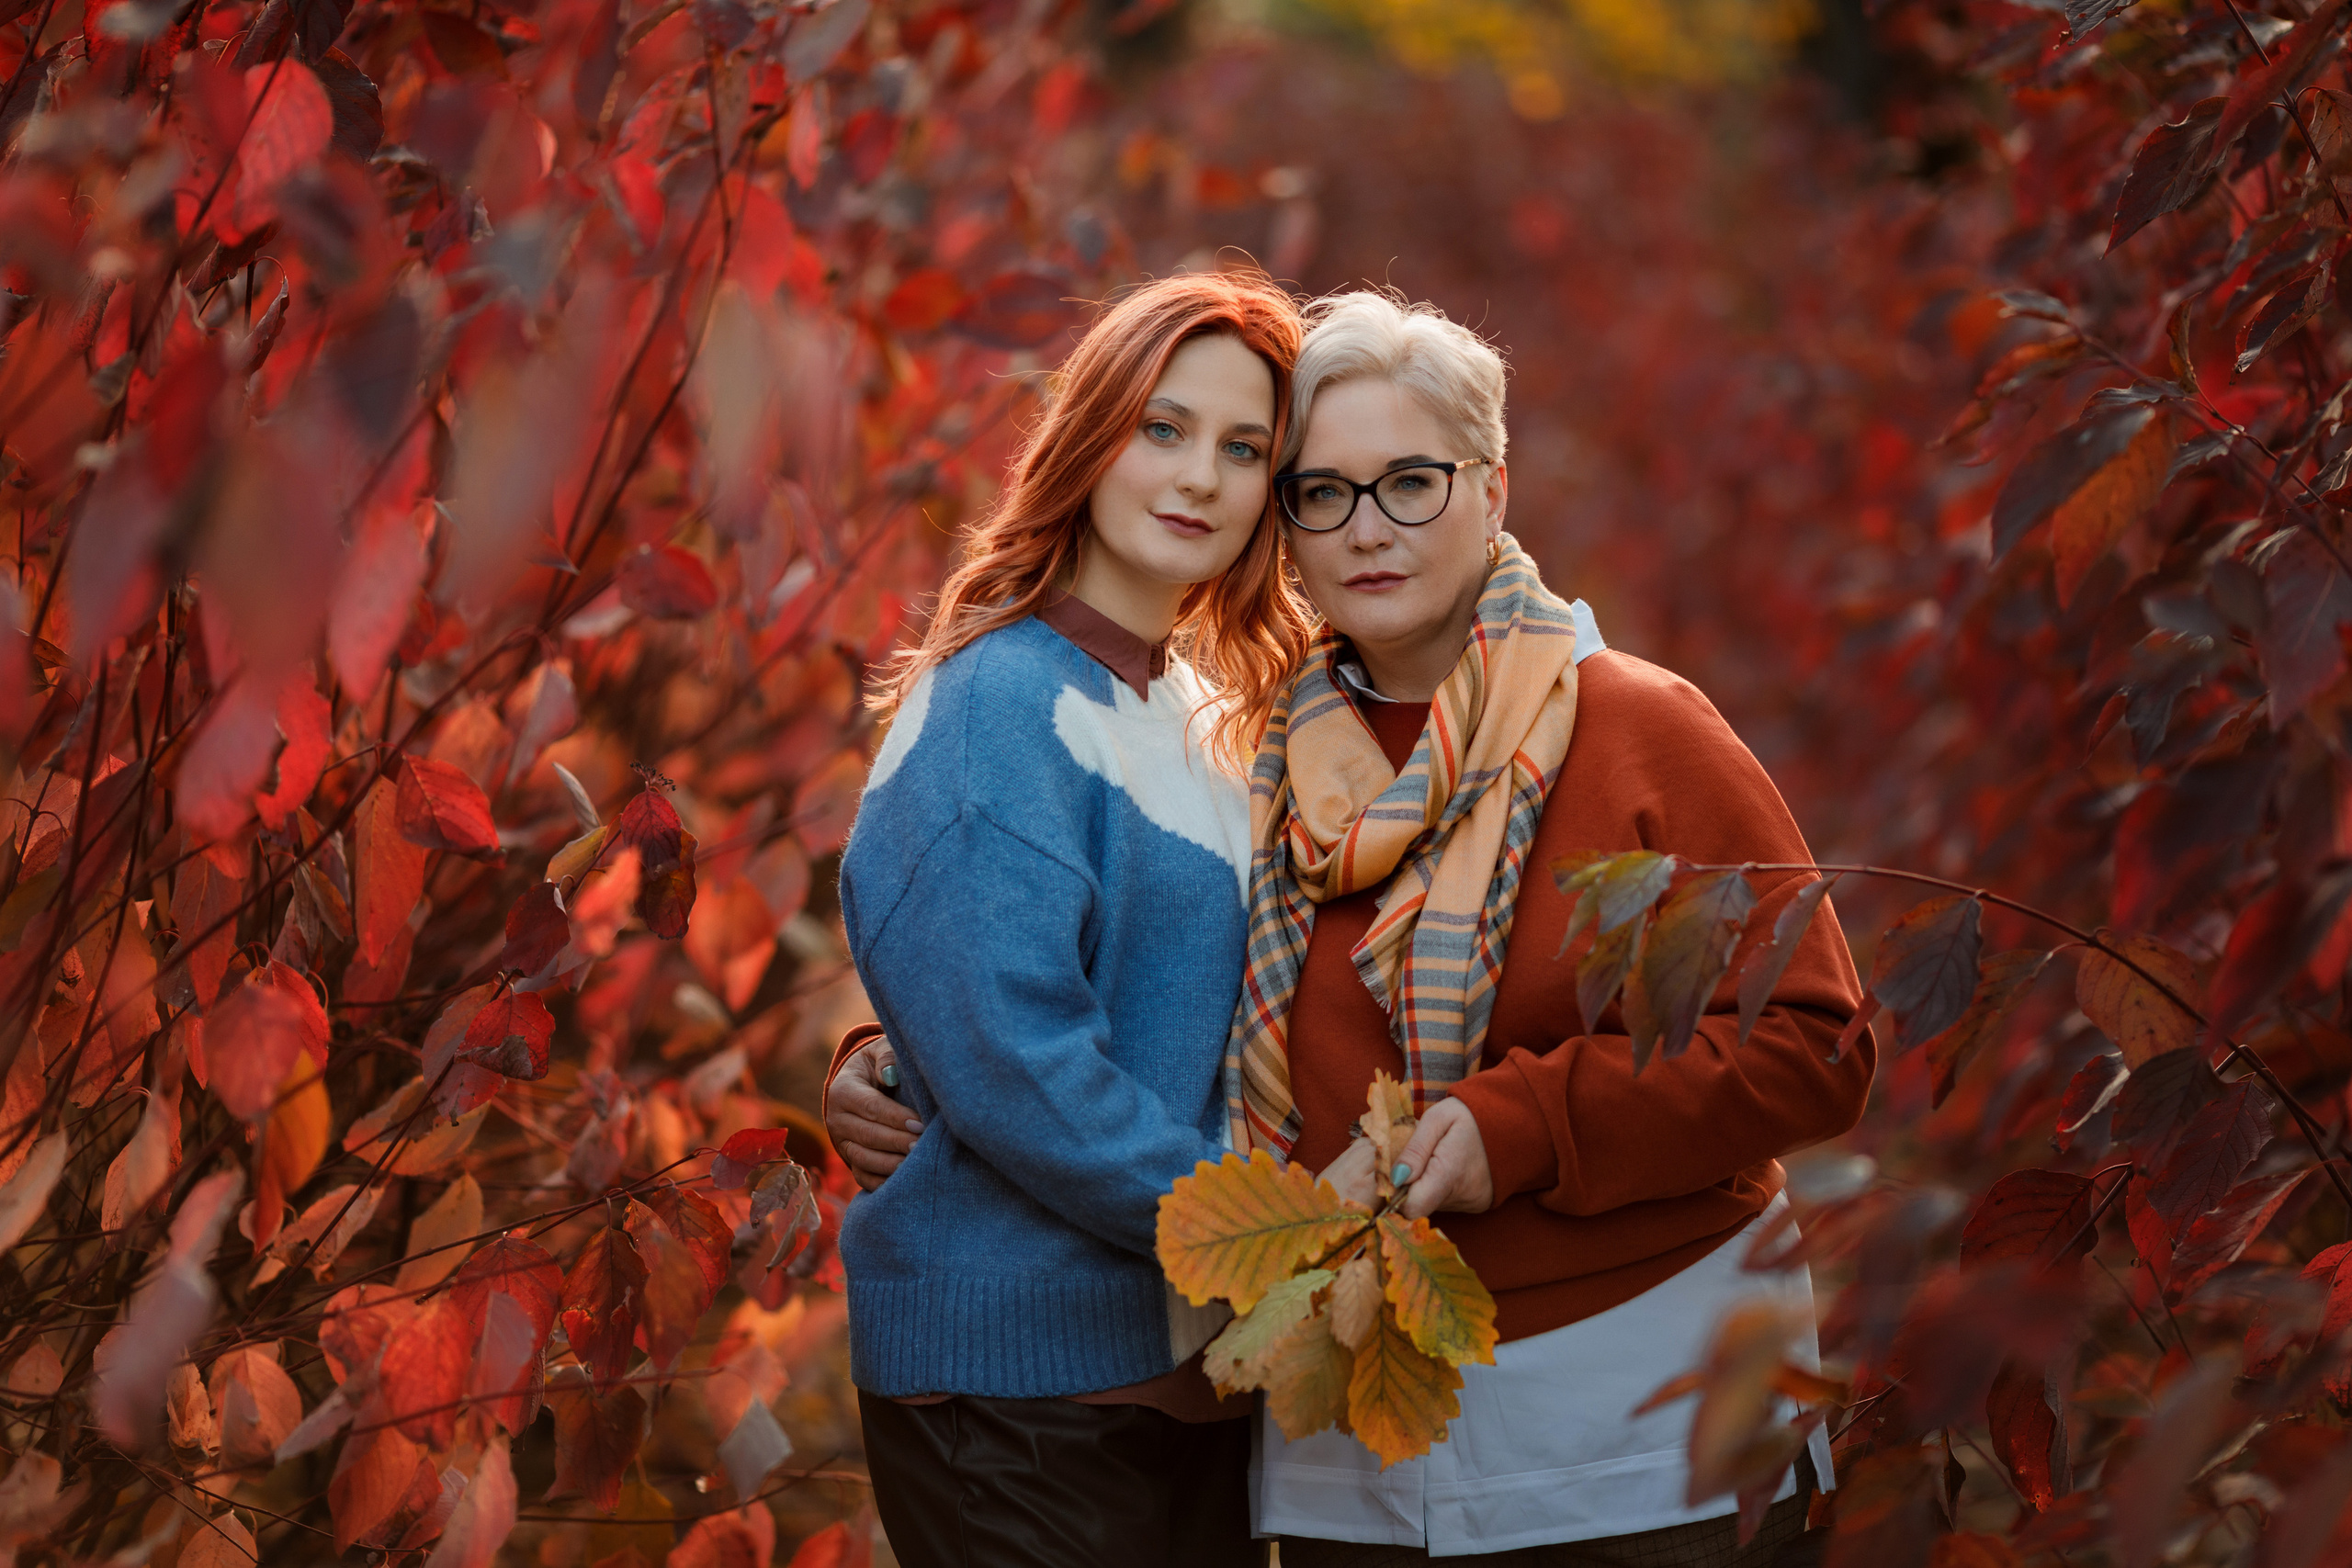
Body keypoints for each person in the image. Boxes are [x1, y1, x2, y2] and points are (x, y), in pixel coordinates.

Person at [831, 289, 1873, 1563]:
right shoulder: (1263, 750)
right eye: (1322, 491)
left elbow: (1816, 1045)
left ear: (1493, 487)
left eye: (1411, 483)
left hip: (1635, 1420)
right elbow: (1052, 988)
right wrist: (902, 1062)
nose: (1367, 529)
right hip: (1337, 1430)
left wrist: (1520, 1126)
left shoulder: (1632, 726)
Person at [828, 269, 1309, 1568]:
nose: (1199, 475)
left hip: (1187, 1377)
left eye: (1244, 448)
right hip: (1021, 1386)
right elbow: (1013, 1058)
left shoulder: (1208, 726)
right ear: (1090, 434)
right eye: (1164, 427)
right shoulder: (999, 703)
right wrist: (1269, 1238)